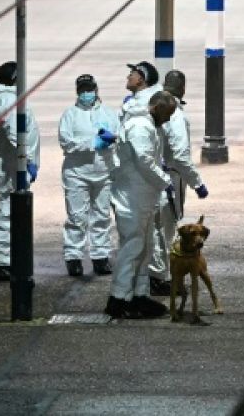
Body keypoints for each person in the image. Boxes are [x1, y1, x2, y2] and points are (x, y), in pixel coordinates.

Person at [104, 91, 178, 319]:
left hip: (142, 196)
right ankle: (119, 299)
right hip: (131, 197)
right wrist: (165, 181)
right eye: (166, 115)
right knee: (132, 248)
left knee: (144, 249)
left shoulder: (149, 125)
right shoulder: (140, 126)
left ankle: (139, 295)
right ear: (156, 107)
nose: (166, 120)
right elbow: (144, 160)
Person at [147, 69, 211, 295]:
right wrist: (197, 183)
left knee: (152, 228)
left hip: (150, 177)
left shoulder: (149, 106)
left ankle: (151, 275)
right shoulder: (177, 115)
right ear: (183, 89)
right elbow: (182, 156)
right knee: (167, 228)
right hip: (171, 177)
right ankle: (161, 277)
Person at [0, 61, 41, 282]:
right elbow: (16, 133)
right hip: (10, 164)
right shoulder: (7, 100)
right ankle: (2, 262)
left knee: (10, 211)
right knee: (6, 212)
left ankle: (7, 259)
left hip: (12, 162)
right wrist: (25, 160)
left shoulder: (5, 98)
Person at [57, 74, 119, 277]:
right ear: (77, 92)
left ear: (96, 89)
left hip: (104, 173)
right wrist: (93, 143)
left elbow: (118, 138)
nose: (86, 94)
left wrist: (111, 140)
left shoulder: (109, 114)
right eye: (82, 90)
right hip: (77, 173)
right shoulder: (70, 115)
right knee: (76, 217)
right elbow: (66, 143)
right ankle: (73, 258)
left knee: (102, 215)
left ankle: (100, 256)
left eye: (89, 89)